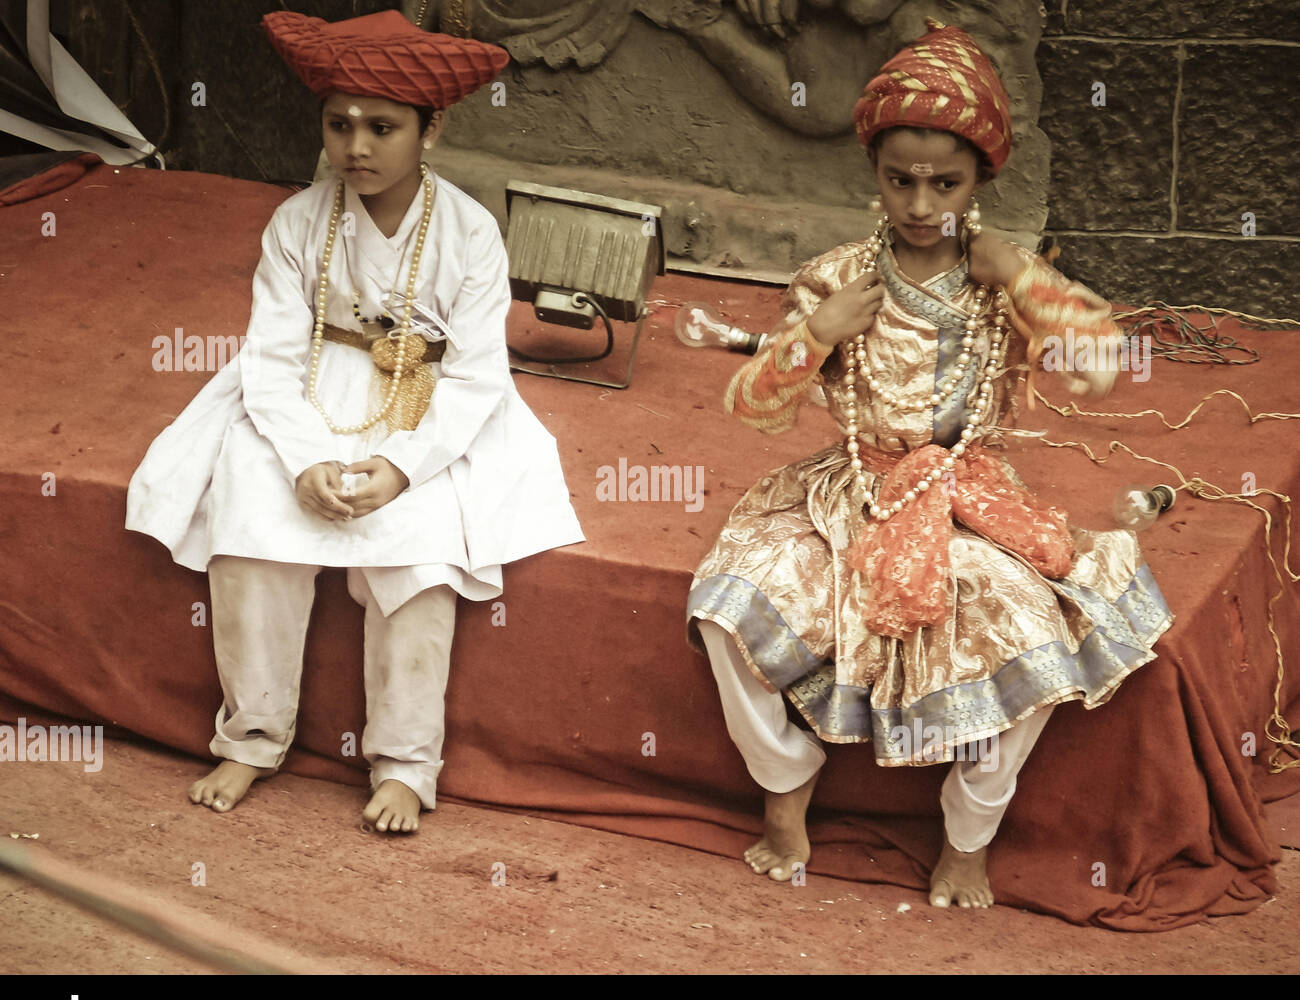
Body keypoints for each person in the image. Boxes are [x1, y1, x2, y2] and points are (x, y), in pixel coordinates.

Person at [687, 18, 1174, 907]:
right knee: (727, 607)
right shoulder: (837, 277)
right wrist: (816, 334)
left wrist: (1020, 273)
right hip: (850, 495)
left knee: (1035, 636)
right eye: (899, 181)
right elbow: (752, 407)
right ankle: (785, 785)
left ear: (983, 178)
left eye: (945, 184)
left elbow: (1104, 365)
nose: (919, 204)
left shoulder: (1001, 281)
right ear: (873, 172)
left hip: (969, 495)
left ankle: (969, 829)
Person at [127, 10, 583, 833]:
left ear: (431, 128)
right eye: (339, 125)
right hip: (307, 385)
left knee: (422, 553)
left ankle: (406, 762)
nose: (357, 147)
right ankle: (253, 735)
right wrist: (302, 458)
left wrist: (404, 464)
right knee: (251, 519)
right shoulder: (298, 221)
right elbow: (267, 356)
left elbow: (479, 375)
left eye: (383, 127)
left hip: (428, 398)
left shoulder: (472, 233)